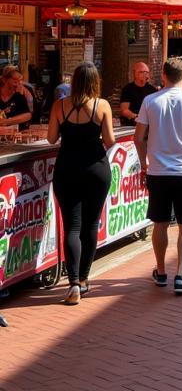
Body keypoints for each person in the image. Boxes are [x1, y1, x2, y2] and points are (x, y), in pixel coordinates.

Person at [134, 57, 182, 295]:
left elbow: (138, 137)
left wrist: (144, 161)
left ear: (163, 75)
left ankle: (160, 270)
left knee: (160, 223)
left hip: (158, 171)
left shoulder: (149, 101)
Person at [47, 62, 115, 304]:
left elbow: (51, 137)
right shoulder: (102, 105)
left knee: (72, 226)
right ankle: (85, 279)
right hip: (96, 168)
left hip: (67, 168)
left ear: (74, 81)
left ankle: (73, 282)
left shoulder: (59, 105)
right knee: (91, 224)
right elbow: (109, 139)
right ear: (95, 81)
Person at [117, 62, 158, 127]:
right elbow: (124, 110)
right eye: (142, 72)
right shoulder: (127, 89)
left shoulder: (153, 90)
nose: (145, 75)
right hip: (131, 125)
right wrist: (137, 117)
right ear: (135, 73)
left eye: (147, 72)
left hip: (148, 125)